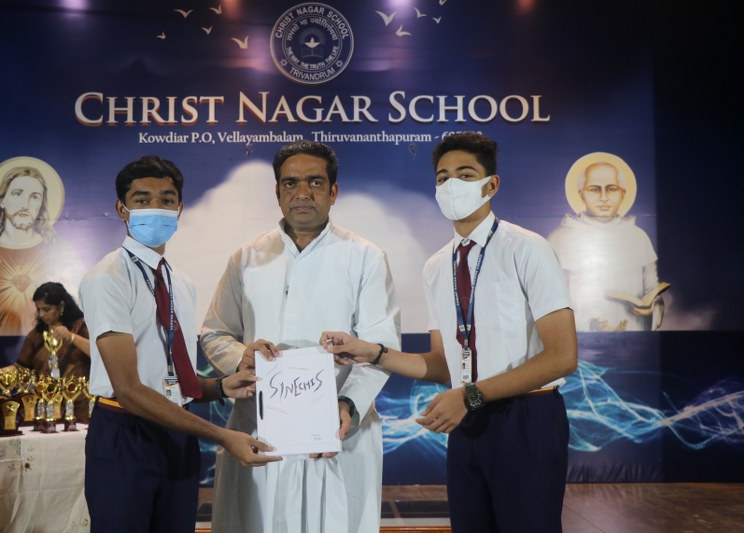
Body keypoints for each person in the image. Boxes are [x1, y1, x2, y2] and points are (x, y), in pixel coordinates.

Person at [322, 132, 577, 533]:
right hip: (467, 418)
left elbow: (562, 357)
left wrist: (470, 395)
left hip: (526, 416)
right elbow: (444, 365)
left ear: (491, 185)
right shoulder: (437, 266)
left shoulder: (527, 248)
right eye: (443, 178)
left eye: (465, 174)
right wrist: (372, 352)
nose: (451, 185)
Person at [201, 140, 400, 533]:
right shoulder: (246, 258)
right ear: (277, 192)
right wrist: (241, 357)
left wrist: (347, 405)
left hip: (337, 430)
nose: (303, 192)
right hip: (259, 427)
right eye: (290, 183)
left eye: (315, 182)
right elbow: (215, 332)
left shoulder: (365, 256)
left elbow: (383, 348)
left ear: (333, 191)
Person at [78, 155, 280, 533]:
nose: (156, 208)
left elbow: (173, 379)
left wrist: (222, 386)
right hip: (126, 433)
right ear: (122, 209)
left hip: (177, 433)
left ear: (180, 208)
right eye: (142, 200)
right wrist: (222, 436)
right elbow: (129, 389)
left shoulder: (180, 283)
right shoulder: (108, 278)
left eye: (166, 200)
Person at [0, 159, 83, 336]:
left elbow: (79, 307)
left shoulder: (59, 250)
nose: (25, 204)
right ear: (2, 200)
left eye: (35, 197)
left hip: (50, 346)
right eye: (17, 194)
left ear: (41, 205)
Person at [547, 157, 665, 331]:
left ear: (623, 193)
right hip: (580, 338)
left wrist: (651, 308)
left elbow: (653, 292)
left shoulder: (638, 237)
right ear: (581, 193)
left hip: (633, 335)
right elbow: (549, 302)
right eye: (594, 189)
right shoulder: (559, 238)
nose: (604, 198)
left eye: (611, 189)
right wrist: (591, 325)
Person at [0, 281, 92, 421]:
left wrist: (71, 337)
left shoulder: (82, 328)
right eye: (38, 309)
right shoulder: (36, 335)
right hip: (45, 409)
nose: (41, 314)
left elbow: (98, 354)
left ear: (61, 306)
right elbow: (20, 370)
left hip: (80, 409)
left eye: (46, 309)